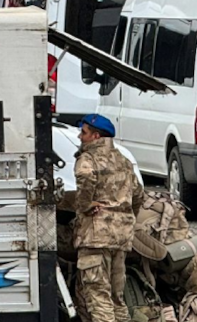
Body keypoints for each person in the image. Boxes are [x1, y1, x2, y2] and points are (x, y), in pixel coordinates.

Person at [72, 114, 143, 322]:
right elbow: (138, 194)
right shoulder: (124, 161)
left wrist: (85, 205)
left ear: (96, 136)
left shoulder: (88, 158)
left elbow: (85, 176)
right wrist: (125, 216)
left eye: (84, 132)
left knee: (98, 296)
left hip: (95, 237)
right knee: (116, 298)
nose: (79, 136)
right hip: (120, 238)